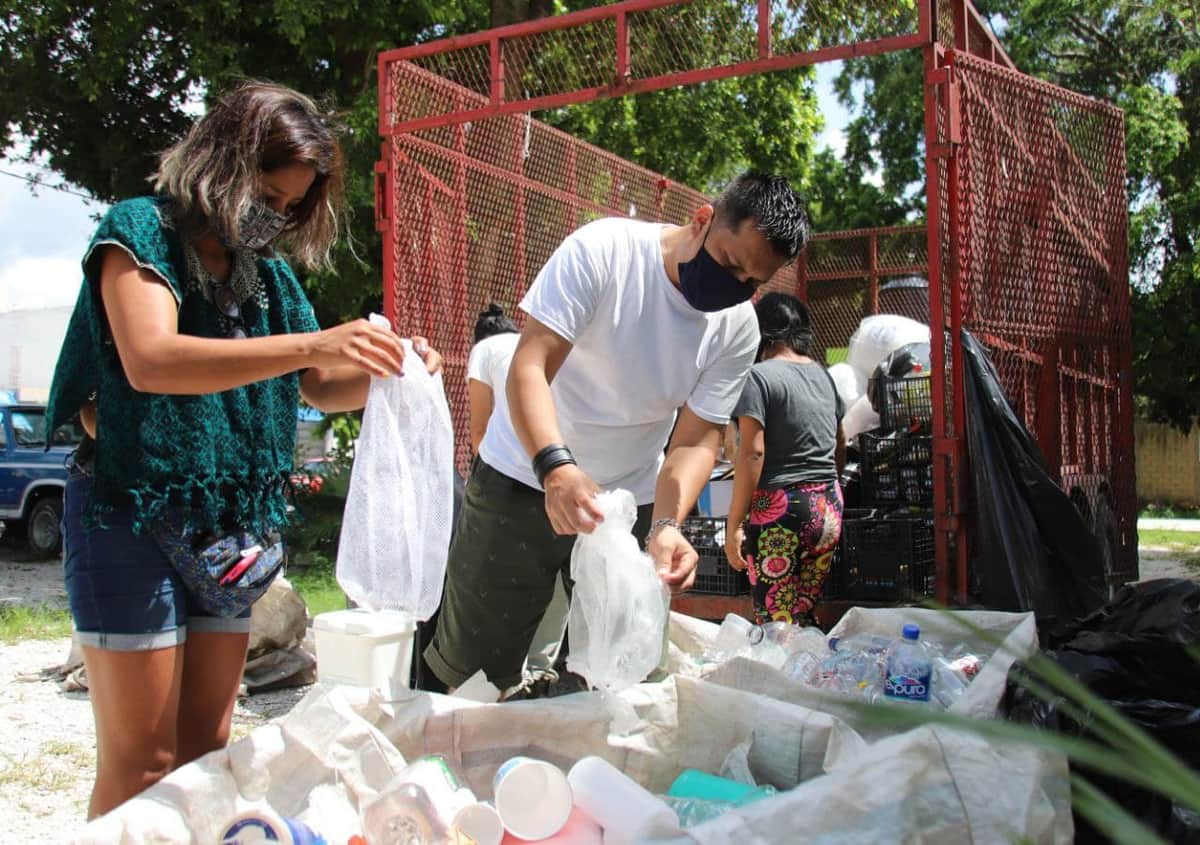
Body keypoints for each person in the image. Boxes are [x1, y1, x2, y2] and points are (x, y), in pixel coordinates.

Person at [45, 80, 442, 819]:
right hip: (130, 516)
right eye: (269, 195)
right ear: (222, 160)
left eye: (292, 207)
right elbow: (151, 359)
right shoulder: (138, 232)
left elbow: (323, 384)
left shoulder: (270, 281)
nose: (278, 218)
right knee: (142, 763)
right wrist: (313, 342)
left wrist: (396, 368)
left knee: (204, 753)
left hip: (226, 530)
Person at [424, 172, 810, 696]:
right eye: (729, 264)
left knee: (620, 672)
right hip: (523, 474)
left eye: (751, 282)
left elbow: (696, 438)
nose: (734, 288)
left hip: (630, 498)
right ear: (702, 220)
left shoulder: (737, 325)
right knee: (474, 672)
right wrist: (556, 466)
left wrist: (669, 525)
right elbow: (530, 365)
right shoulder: (605, 250)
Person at [723, 293, 845, 626]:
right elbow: (839, 440)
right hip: (829, 506)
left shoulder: (758, 378)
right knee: (801, 615)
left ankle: (781, 675)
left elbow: (752, 452)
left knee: (776, 623)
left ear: (758, 332)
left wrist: (734, 523)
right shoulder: (824, 375)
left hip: (782, 512)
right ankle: (810, 675)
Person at [467, 302, 569, 687]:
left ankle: (501, 676)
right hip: (561, 468)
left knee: (502, 574)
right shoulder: (543, 341)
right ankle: (542, 669)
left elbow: (480, 430)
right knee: (555, 571)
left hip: (512, 477)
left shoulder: (484, 350)